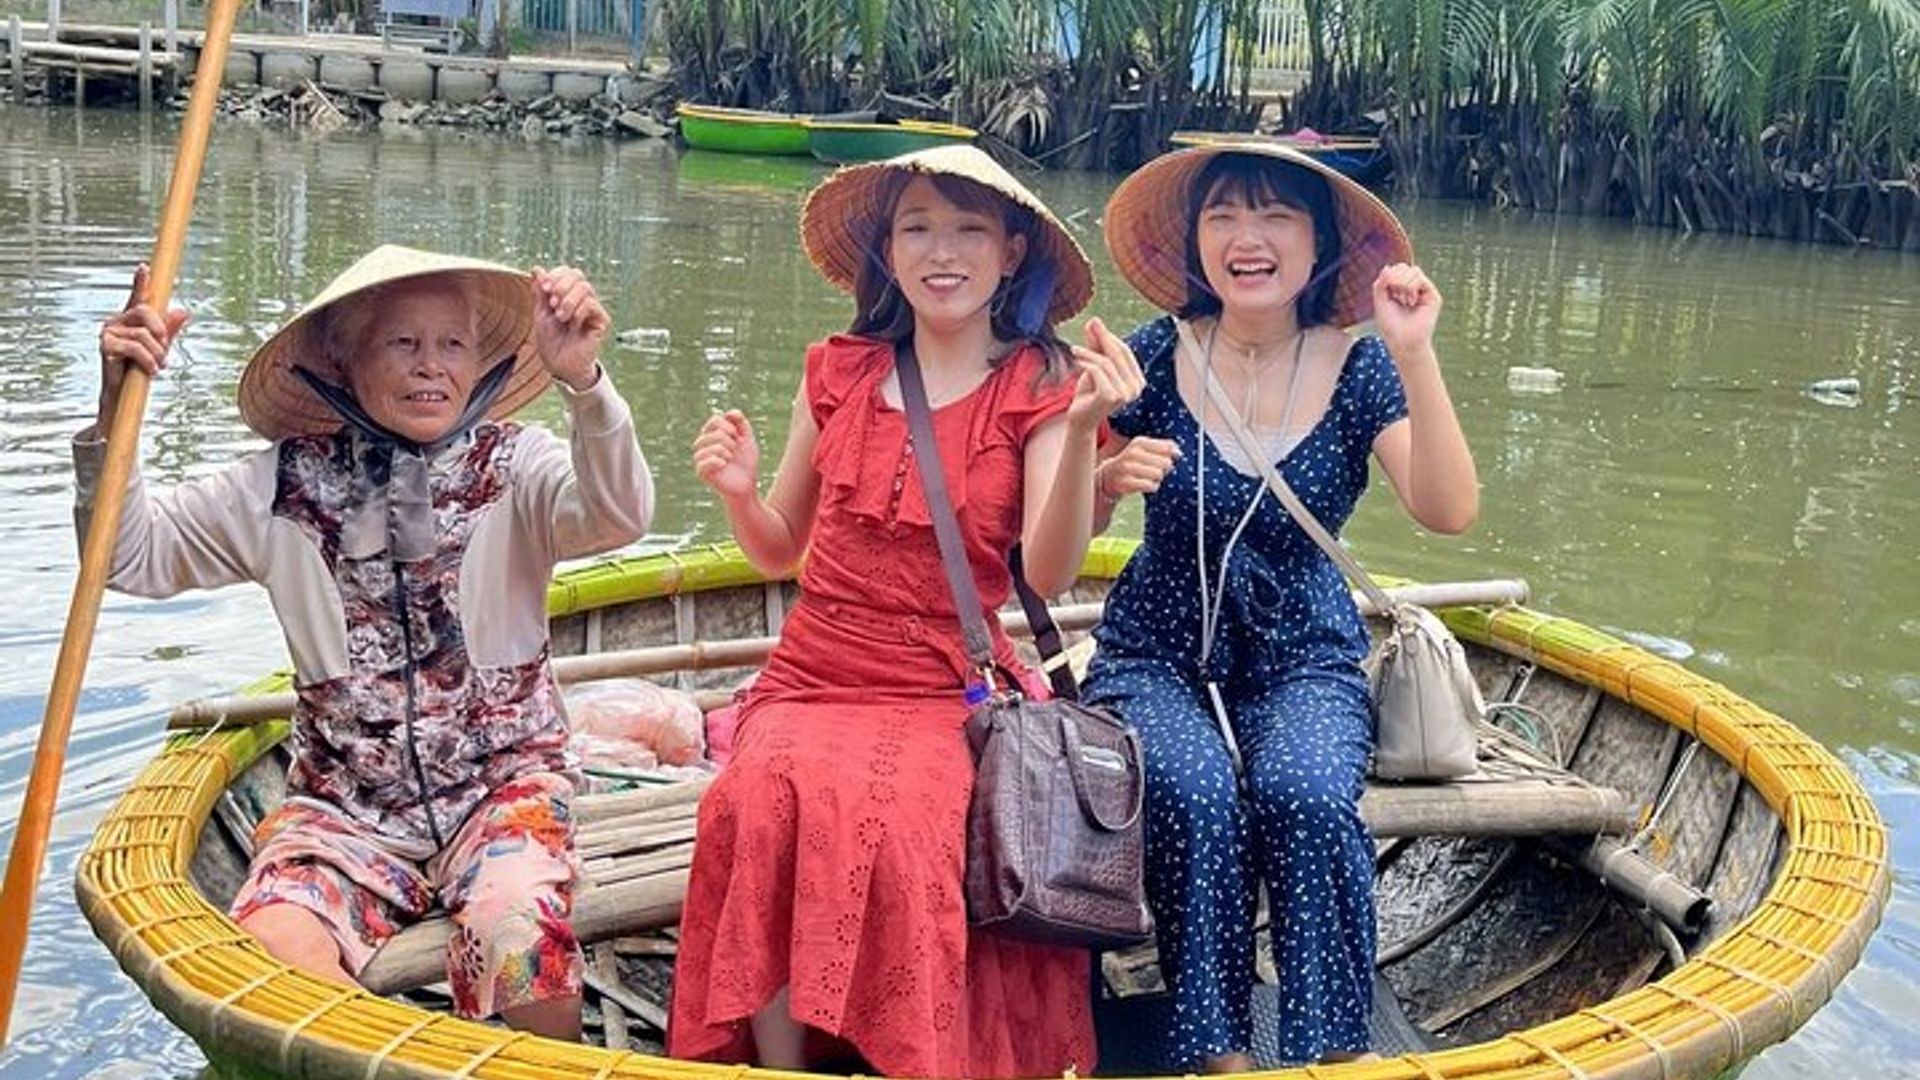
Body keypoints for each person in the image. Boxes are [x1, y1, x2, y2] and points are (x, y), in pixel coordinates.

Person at [77, 246, 654, 1040]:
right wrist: (117, 411)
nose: (431, 368)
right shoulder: (280, 484)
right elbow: (126, 555)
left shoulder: (517, 466)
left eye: (451, 344)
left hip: (503, 790)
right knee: (272, 952)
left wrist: (585, 388)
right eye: (402, 344)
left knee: (515, 933)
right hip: (343, 807)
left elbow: (620, 513)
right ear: (344, 361)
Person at [668, 145, 1143, 1077]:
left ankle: (912, 1057)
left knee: (909, 824)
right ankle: (782, 1063)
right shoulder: (837, 371)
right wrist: (734, 491)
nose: (943, 251)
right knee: (751, 799)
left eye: (969, 229)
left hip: (943, 686)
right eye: (917, 227)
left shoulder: (1040, 385)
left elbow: (1045, 572)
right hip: (812, 674)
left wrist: (1086, 431)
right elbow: (780, 548)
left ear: (1011, 253)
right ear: (887, 250)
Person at [1084, 143, 1479, 1069]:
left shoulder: (1360, 368)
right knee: (1195, 793)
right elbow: (1065, 524)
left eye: (1274, 216)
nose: (1245, 238)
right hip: (1157, 652)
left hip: (1307, 654)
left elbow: (1449, 511)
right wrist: (1095, 464)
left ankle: (1329, 1050)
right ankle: (1217, 1054)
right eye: (1222, 214)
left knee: (1304, 792)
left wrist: (1418, 356)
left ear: (1320, 246)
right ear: (1194, 241)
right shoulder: (1151, 354)